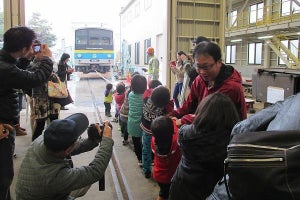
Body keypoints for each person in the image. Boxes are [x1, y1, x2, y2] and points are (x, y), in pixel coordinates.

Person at [0, 26, 53, 200]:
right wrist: (46, 59)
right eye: (29, 46)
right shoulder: (5, 68)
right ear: (23, 48)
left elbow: (18, 73)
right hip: (2, 131)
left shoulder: (5, 63)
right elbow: (34, 79)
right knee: (3, 177)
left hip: (6, 125)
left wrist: (27, 58)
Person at [15, 113, 114, 200]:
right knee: (87, 179)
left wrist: (92, 141)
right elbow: (95, 171)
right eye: (76, 139)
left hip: (36, 191)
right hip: (46, 192)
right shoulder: (56, 177)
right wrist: (107, 140)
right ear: (67, 150)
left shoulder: (43, 139)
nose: (77, 140)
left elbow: (71, 147)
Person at [169, 93, 241, 200]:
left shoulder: (186, 134)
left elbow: (183, 131)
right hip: (212, 193)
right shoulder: (234, 142)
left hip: (182, 187)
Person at [170, 41, 247, 126]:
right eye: (198, 67)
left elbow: (209, 117)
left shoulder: (231, 87)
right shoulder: (199, 80)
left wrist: (182, 121)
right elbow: (189, 105)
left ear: (219, 62)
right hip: (205, 129)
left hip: (225, 133)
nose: (202, 72)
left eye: (206, 67)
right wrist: (173, 115)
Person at [140, 85, 173, 178]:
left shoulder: (146, 98)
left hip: (146, 129)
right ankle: (157, 166)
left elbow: (148, 90)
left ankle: (146, 170)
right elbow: (171, 108)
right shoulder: (164, 108)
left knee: (145, 150)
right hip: (157, 133)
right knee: (157, 150)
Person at [151, 116, 182, 200]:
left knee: (163, 193)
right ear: (172, 132)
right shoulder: (176, 142)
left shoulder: (154, 141)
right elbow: (177, 132)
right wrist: (174, 121)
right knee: (168, 194)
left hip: (158, 175)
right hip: (171, 176)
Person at [127, 74, 147, 165]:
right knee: (146, 142)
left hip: (132, 123)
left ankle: (139, 159)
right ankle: (147, 158)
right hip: (143, 124)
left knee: (136, 143)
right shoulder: (146, 96)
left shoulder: (130, 94)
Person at [119, 72, 140, 145]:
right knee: (129, 127)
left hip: (122, 112)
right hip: (128, 115)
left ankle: (124, 138)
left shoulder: (128, 90)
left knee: (126, 126)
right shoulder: (135, 93)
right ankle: (130, 141)